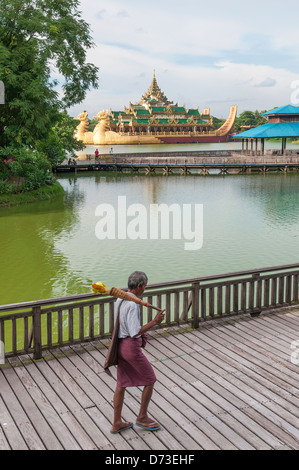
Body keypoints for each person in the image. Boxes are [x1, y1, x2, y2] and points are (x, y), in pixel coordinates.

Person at [110, 271, 165, 434]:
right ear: (140, 286)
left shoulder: (121, 298)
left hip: (119, 345)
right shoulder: (132, 304)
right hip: (130, 347)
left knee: (121, 384)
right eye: (145, 286)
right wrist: (155, 321)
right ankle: (142, 417)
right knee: (150, 379)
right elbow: (134, 332)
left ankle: (117, 422)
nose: (145, 289)